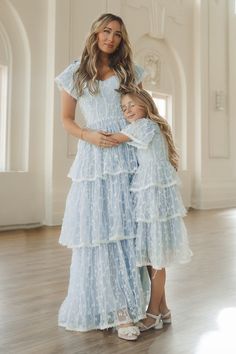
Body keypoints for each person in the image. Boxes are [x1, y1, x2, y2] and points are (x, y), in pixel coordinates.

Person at [55, 13, 149, 341]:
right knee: (98, 233)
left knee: (125, 232)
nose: (111, 38)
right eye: (106, 31)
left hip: (126, 156)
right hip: (93, 159)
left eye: (117, 34)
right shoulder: (76, 73)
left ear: (122, 40)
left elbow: (140, 113)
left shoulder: (130, 72)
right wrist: (88, 135)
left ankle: (126, 310)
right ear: (96, 33)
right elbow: (66, 120)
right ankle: (102, 307)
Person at [110, 88, 193, 331]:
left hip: (154, 198)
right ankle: (164, 310)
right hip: (150, 196)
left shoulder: (144, 126)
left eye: (131, 105)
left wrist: (86, 133)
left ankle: (153, 312)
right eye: (123, 108)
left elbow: (115, 139)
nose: (127, 111)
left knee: (156, 260)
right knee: (151, 256)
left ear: (145, 105)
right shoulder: (147, 127)